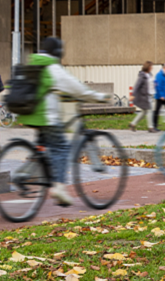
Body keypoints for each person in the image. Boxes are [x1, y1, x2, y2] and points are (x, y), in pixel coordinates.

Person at [20, 37, 107, 206]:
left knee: (42, 147)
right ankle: (59, 187)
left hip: (29, 114)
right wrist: (98, 97)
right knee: (61, 147)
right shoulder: (52, 67)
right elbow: (77, 88)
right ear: (58, 52)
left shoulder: (33, 62)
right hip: (46, 117)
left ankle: (23, 174)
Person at [129, 61, 155, 132]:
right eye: (151, 66)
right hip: (143, 96)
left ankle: (132, 124)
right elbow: (137, 86)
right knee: (149, 110)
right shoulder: (142, 76)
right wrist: (133, 95)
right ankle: (150, 127)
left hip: (148, 95)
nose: (152, 68)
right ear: (148, 67)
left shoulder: (149, 75)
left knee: (144, 112)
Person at [153, 62, 165, 130]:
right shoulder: (159, 75)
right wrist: (161, 95)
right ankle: (154, 126)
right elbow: (158, 86)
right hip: (160, 97)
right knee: (157, 111)